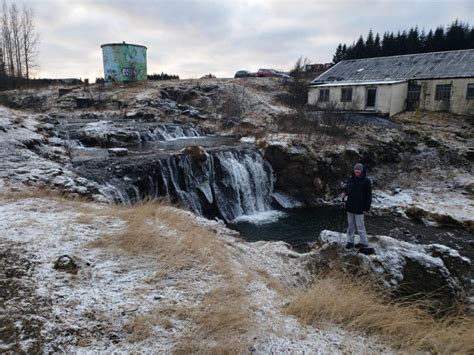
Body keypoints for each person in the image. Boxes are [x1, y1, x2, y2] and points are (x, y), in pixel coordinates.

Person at [341, 163, 372, 250]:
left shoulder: (366, 181)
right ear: (354, 170)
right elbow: (347, 190)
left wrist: (366, 208)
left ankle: (364, 242)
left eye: (359, 169)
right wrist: (344, 193)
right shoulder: (350, 179)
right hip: (350, 206)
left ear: (362, 171)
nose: (357, 171)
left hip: (360, 208)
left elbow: (368, 196)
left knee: (360, 226)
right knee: (350, 225)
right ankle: (350, 241)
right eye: (356, 169)